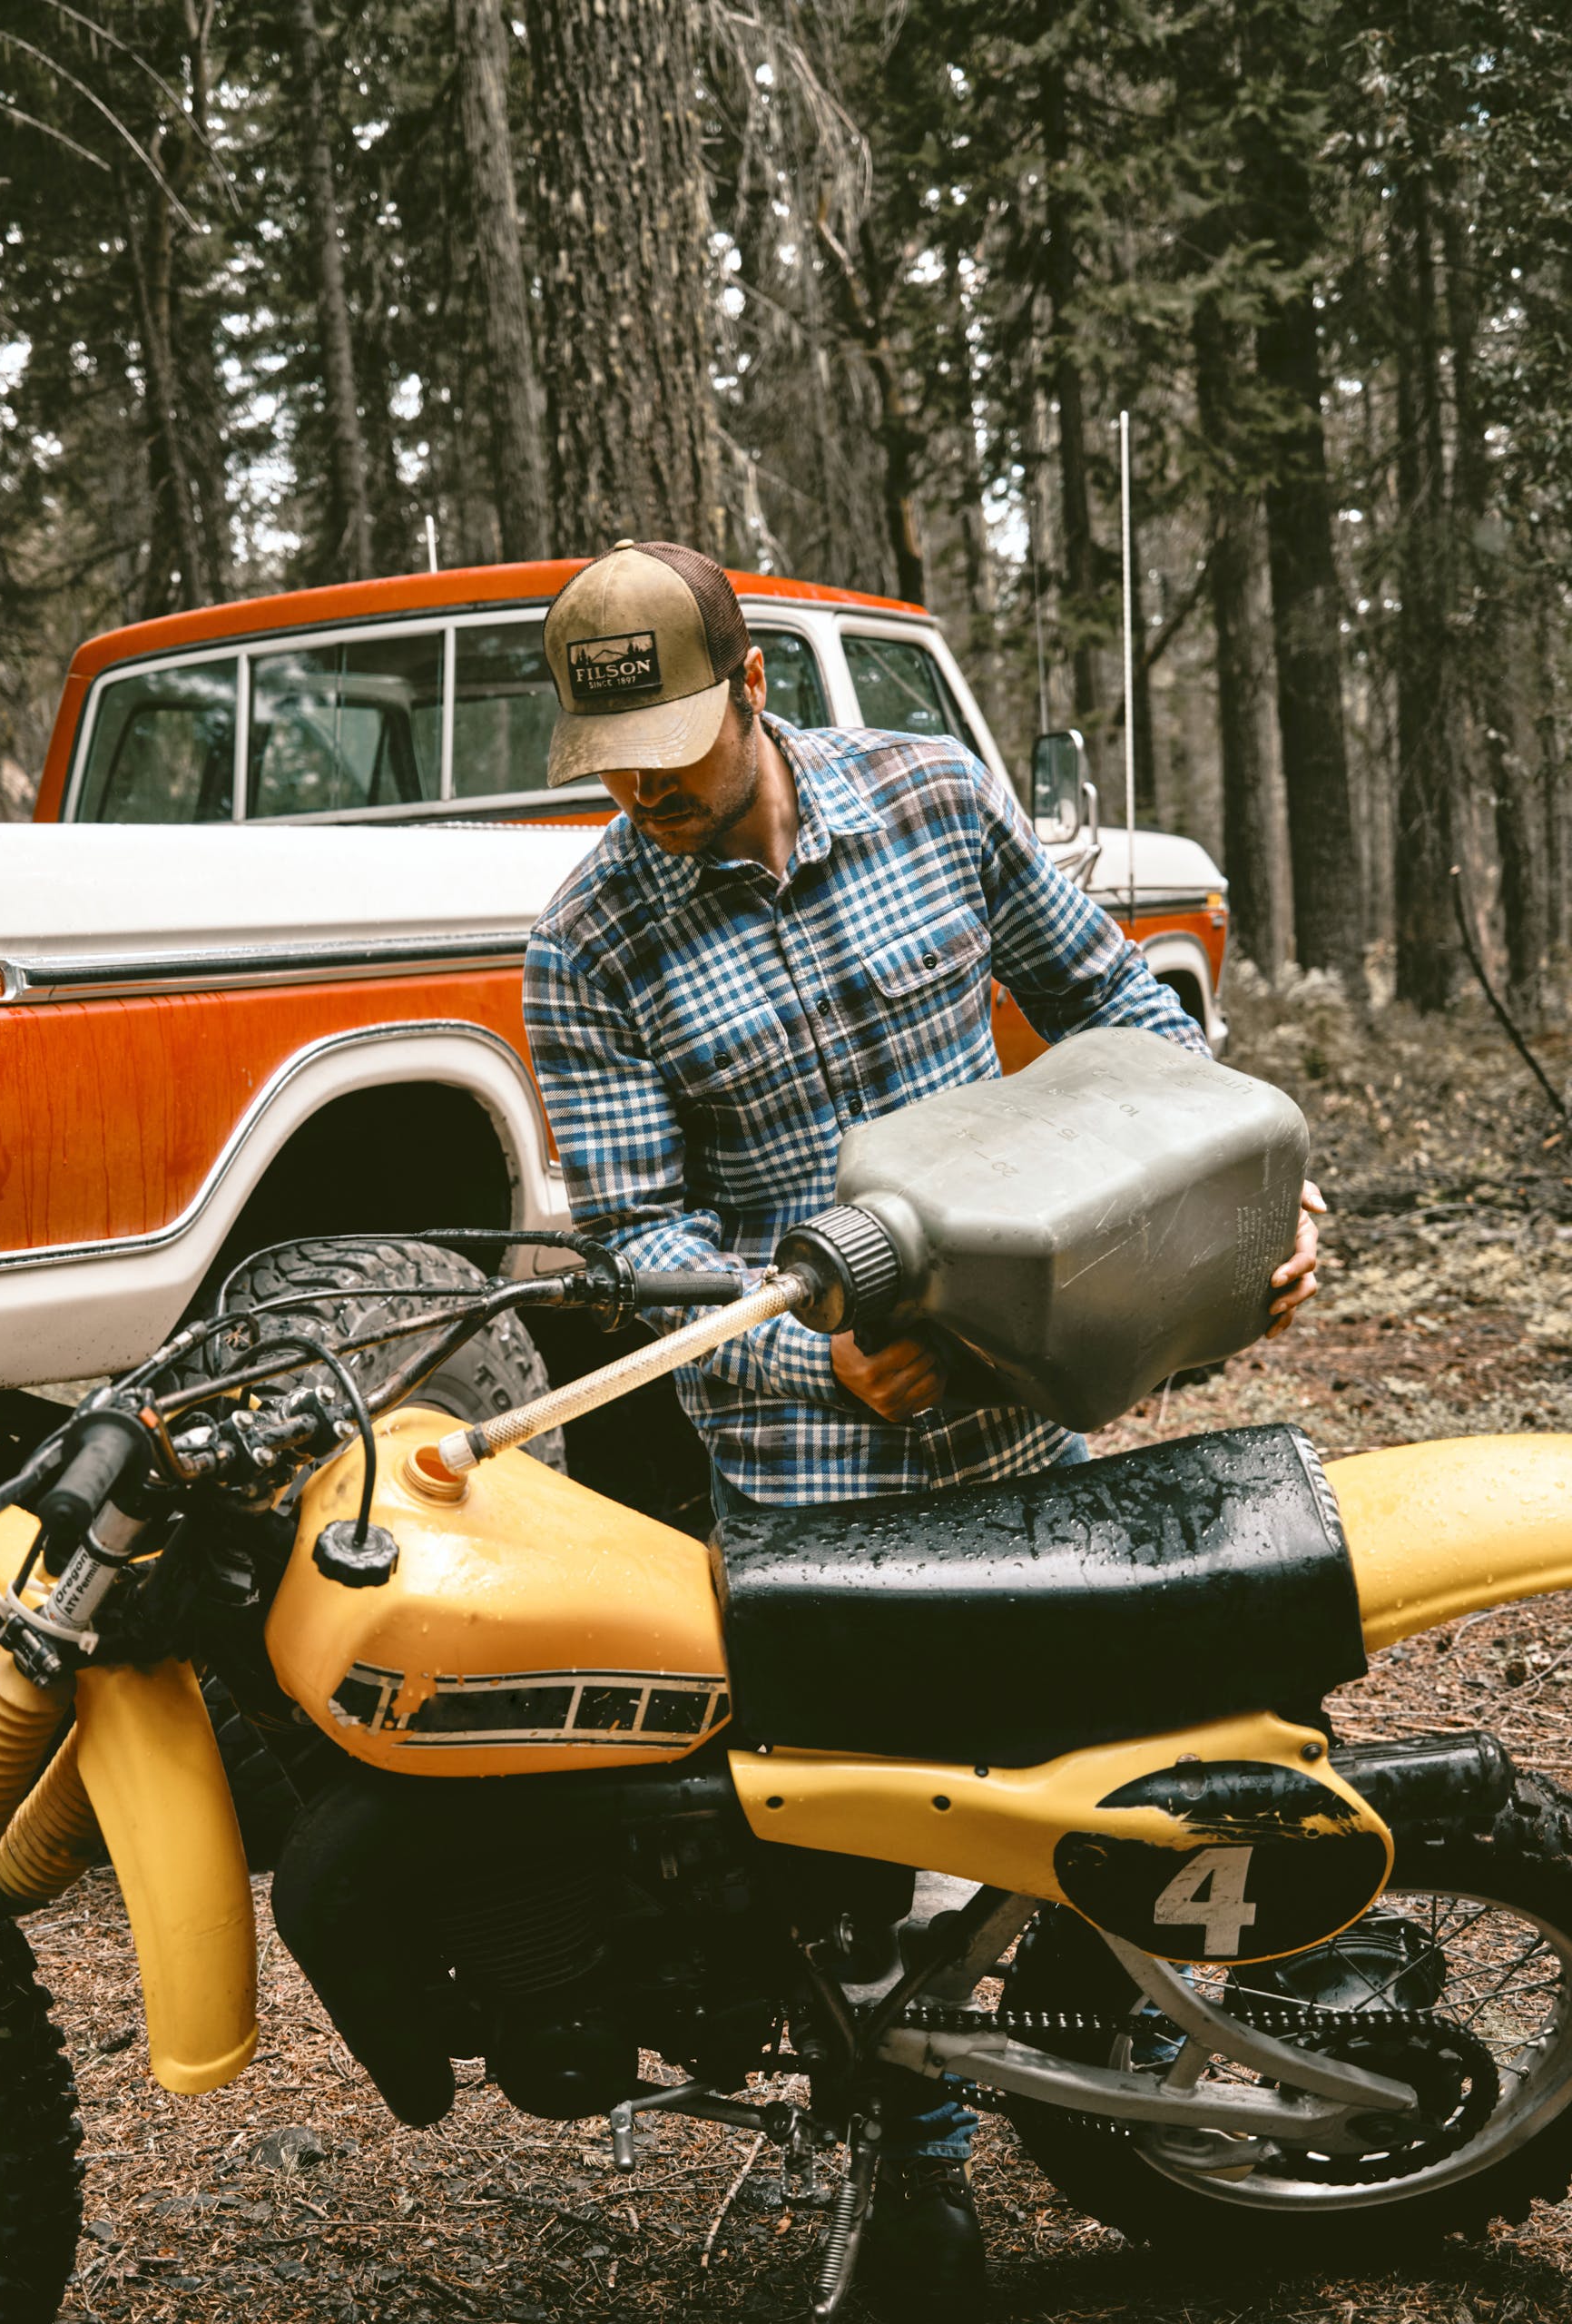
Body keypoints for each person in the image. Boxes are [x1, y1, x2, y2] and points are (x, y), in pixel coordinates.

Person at [523, 539, 1323, 2319]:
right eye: (615, 761)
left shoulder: (929, 791)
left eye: (675, 740)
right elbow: (638, 1247)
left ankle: (1203, 2018)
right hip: (816, 1465)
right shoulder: (589, 940)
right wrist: (831, 1351)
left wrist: (1244, 1196)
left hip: (1036, 1408)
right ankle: (921, 2143)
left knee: (1093, 1781)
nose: (649, 790)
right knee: (864, 1857)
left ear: (748, 679)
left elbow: (1118, 1012)